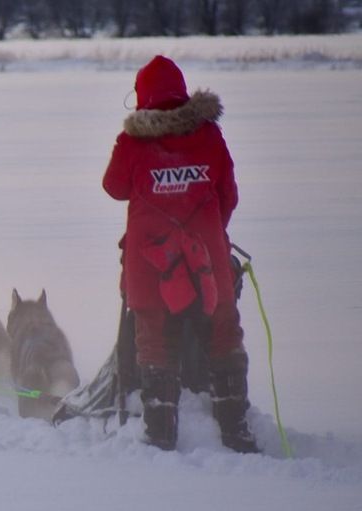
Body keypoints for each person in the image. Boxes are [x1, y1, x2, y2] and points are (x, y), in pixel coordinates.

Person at [102, 55, 258, 453]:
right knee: (224, 331)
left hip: (148, 261)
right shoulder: (209, 135)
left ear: (142, 97)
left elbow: (114, 187)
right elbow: (228, 195)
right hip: (207, 256)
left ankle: (160, 434)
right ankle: (235, 430)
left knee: (153, 338)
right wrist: (208, 233)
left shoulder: (132, 142)